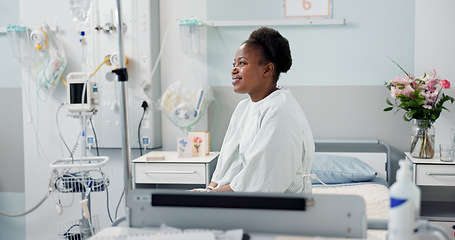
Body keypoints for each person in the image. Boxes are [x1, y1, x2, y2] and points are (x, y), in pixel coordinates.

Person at [204, 27, 314, 193]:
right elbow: (227, 163)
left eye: (242, 63)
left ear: (267, 69)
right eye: (234, 63)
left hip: (279, 209)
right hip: (237, 199)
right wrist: (209, 190)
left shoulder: (280, 111)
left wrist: (209, 197)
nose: (234, 69)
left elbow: (262, 182)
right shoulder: (243, 108)